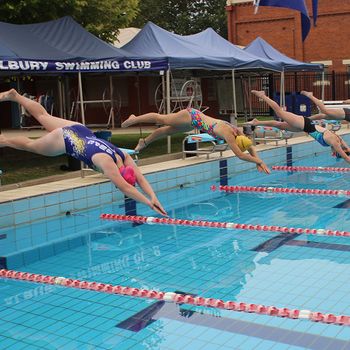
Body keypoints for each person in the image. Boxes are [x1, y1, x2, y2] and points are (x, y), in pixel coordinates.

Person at [0, 89, 167, 216]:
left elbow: (140, 178)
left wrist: (154, 196)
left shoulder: (123, 156)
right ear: (119, 174)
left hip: (80, 130)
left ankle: (16, 96)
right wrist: (149, 203)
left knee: (43, 115)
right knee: (31, 145)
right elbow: (125, 187)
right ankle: (3, 140)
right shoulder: (108, 164)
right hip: (65, 140)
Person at [121, 108, 270, 174]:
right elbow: (241, 155)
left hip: (193, 122)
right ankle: (134, 119)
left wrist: (258, 160)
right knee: (162, 119)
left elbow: (249, 147)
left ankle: (144, 142)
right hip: (191, 116)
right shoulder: (229, 135)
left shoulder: (237, 131)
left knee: (166, 131)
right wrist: (259, 162)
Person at [249, 90, 350, 161]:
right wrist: (345, 154)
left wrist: (347, 150)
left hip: (304, 127)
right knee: (280, 112)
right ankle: (262, 95)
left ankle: (257, 122)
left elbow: (347, 150)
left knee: (279, 125)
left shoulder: (338, 140)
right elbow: (346, 157)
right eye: (335, 153)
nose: (333, 153)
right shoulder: (335, 142)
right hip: (303, 123)